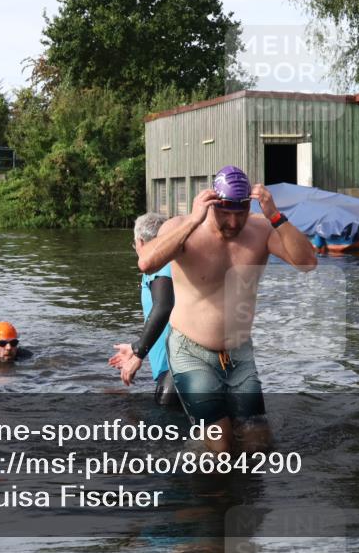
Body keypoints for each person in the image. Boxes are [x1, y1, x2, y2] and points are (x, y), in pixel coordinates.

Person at [136, 166, 317, 453]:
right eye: (225, 212)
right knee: (221, 447)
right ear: (211, 204)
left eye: (240, 212)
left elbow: (308, 263)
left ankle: (233, 484)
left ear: (249, 206)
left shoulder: (261, 229)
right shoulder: (182, 228)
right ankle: (208, 488)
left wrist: (275, 216)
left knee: (258, 444)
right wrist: (194, 219)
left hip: (238, 352)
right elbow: (147, 263)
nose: (233, 222)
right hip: (191, 350)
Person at [109, 213, 179, 407]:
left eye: (134, 244)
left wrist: (139, 353)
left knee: (167, 428)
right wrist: (135, 346)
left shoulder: (160, 265)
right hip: (177, 366)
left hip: (177, 367)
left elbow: (164, 307)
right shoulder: (171, 264)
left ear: (140, 242)